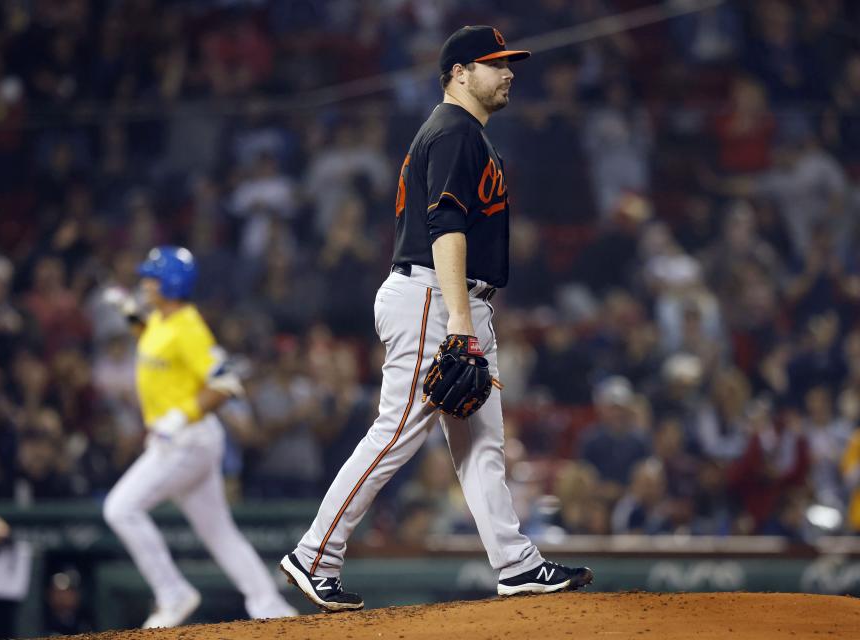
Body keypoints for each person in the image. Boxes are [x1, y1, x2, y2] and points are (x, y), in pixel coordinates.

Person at [279, 26, 593, 613]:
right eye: (494, 63)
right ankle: (315, 553)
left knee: (481, 446)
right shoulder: (453, 132)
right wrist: (458, 322)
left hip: (451, 298)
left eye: (508, 63)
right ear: (458, 73)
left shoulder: (464, 133)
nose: (508, 72)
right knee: (397, 431)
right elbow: (446, 226)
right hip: (434, 295)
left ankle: (517, 564)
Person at [102, 246, 296, 628]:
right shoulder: (160, 319)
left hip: (186, 438)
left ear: (171, 283)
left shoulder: (189, 326)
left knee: (120, 509)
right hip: (185, 439)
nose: (144, 284)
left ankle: (173, 593)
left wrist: (182, 414)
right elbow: (151, 339)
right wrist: (127, 310)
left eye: (151, 278)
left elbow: (226, 383)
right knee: (219, 533)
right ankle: (269, 604)